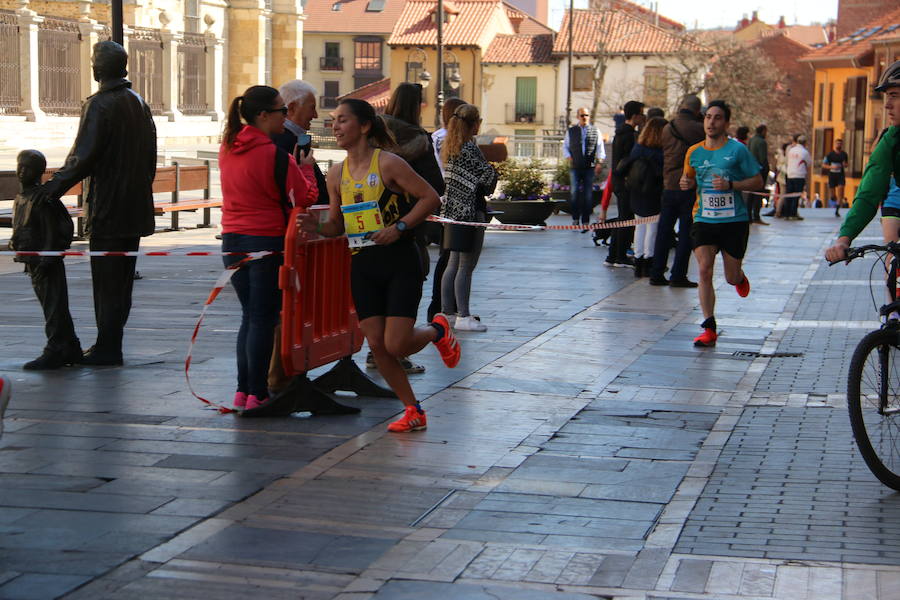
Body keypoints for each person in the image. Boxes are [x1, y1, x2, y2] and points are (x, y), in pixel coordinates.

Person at [301, 98, 459, 433]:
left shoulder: (388, 163)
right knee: (377, 345)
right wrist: (314, 228)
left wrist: (400, 226)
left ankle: (438, 330)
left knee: (396, 345)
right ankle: (413, 409)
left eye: (342, 120)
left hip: (400, 260)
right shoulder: (336, 174)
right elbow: (336, 226)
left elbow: (431, 197)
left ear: (364, 125)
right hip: (362, 265)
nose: (335, 127)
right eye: (333, 121)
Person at [34, 41, 156, 366]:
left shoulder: (100, 105)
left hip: (109, 208)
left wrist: (51, 189)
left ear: (98, 69)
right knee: (122, 282)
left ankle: (107, 348)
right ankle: (110, 343)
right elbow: (150, 160)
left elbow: (82, 157)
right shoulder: (139, 103)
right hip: (134, 208)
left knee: (107, 282)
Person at [219, 85, 317, 411]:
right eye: (281, 111)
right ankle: (257, 393)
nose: (285, 117)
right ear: (263, 116)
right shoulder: (276, 155)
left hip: (233, 242)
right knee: (262, 318)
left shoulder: (228, 147)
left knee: (250, 317)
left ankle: (242, 391)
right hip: (267, 242)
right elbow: (304, 197)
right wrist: (305, 168)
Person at [680, 100, 763, 347]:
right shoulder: (694, 152)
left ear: (726, 123)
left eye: (717, 118)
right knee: (704, 270)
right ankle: (709, 327)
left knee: (730, 276)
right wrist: (686, 184)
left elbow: (758, 181)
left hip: (733, 222)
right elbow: (689, 178)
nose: (711, 122)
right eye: (708, 117)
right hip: (704, 219)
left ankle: (739, 278)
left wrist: (732, 186)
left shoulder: (737, 151)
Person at [9, 150, 82, 370]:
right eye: (20, 166)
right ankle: (69, 346)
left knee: (54, 304)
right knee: (51, 303)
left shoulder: (42, 199)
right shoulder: (22, 198)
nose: (22, 171)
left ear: (40, 172)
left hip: (45, 262)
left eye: (28, 167)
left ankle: (56, 348)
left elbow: (52, 231)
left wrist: (48, 256)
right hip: (33, 261)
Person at [825, 60, 900, 269]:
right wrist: (844, 239)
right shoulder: (891, 140)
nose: (887, 105)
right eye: (887, 97)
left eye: (894, 95)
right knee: (893, 270)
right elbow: (869, 193)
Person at [440, 104, 498, 331]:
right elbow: (487, 179)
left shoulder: (452, 147)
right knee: (466, 266)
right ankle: (464, 316)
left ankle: (447, 314)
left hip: (453, 213)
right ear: (474, 123)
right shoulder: (470, 149)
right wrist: (493, 170)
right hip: (471, 213)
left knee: (452, 264)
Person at [649, 94, 704, 287]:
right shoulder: (698, 129)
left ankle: (656, 272)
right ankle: (678, 274)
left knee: (664, 230)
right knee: (686, 232)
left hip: (668, 185)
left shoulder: (667, 128)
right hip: (688, 184)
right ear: (697, 111)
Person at [428, 97, 468, 323]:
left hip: (441, 197)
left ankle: (441, 307)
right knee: (452, 257)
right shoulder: (454, 140)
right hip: (455, 200)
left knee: (448, 255)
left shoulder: (434, 137)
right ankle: (446, 308)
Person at [618, 116, 665, 278]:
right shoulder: (660, 152)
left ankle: (638, 262)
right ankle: (648, 261)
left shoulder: (638, 147)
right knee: (652, 228)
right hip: (653, 192)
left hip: (636, 191)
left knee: (640, 226)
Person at [603, 100, 645, 267]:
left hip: (619, 182)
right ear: (634, 116)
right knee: (626, 220)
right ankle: (620, 255)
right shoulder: (629, 135)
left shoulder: (620, 133)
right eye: (641, 114)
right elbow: (628, 160)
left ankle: (613, 255)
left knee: (623, 218)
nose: (643, 117)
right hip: (626, 182)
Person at [272, 79, 328, 204]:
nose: (315, 115)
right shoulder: (285, 142)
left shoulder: (290, 138)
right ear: (292, 108)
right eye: (312, 108)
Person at [563, 107, 604, 230]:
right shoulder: (571, 131)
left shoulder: (595, 131)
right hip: (575, 167)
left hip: (589, 167)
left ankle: (585, 220)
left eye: (586, 115)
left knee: (588, 195)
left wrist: (599, 162)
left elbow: (600, 148)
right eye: (582, 115)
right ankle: (575, 218)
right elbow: (565, 146)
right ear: (577, 117)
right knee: (574, 193)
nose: (584, 117)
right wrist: (568, 157)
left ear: (589, 117)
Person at [784, 134, 811, 219]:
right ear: (805, 143)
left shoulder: (791, 150)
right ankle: (793, 213)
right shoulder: (804, 152)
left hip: (790, 174)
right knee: (796, 195)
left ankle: (787, 214)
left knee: (789, 195)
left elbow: (787, 161)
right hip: (799, 175)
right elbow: (809, 163)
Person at [747, 124, 770, 225]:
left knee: (751, 194)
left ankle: (748, 216)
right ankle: (756, 216)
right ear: (763, 131)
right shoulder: (761, 142)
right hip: (759, 170)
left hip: (750, 169)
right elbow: (762, 158)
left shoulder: (751, 140)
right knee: (758, 194)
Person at [824, 138, 849, 217]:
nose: (839, 145)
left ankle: (837, 210)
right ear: (834, 144)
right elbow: (824, 165)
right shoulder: (830, 155)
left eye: (840, 144)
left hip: (840, 175)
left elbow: (846, 164)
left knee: (841, 191)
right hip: (832, 175)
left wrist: (844, 165)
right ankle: (833, 197)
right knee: (833, 195)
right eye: (837, 143)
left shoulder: (844, 154)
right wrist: (831, 167)